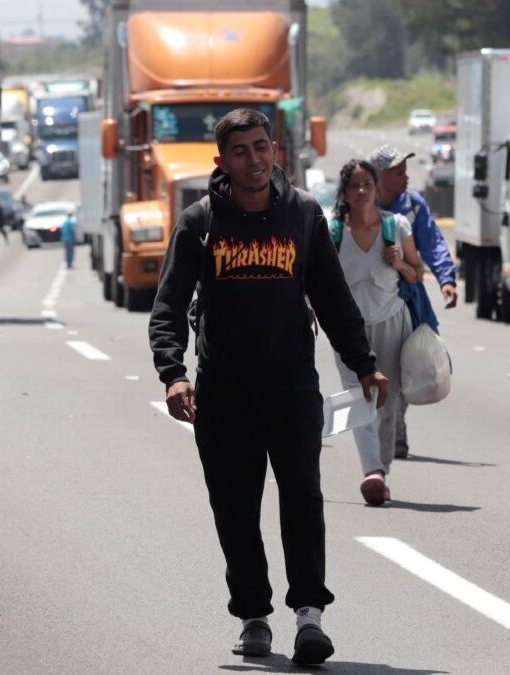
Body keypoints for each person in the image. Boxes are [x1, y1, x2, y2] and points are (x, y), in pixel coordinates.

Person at [148, 108, 389, 667]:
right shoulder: (200, 222)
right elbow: (167, 306)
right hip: (224, 393)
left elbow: (332, 297)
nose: (254, 160)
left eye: (261, 147)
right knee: (235, 508)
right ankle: (253, 615)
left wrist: (364, 362)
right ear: (222, 161)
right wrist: (174, 373)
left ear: (275, 150)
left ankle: (309, 616)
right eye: (240, 151)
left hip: (291, 388)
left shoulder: (302, 214)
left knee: (303, 499)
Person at [330, 159, 424, 506]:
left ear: (376, 188)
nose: (361, 191)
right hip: (347, 331)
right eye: (354, 185)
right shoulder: (333, 232)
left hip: (391, 324)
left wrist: (399, 262)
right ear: (345, 191)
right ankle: (372, 472)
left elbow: (417, 274)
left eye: (367, 184)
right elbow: (316, 280)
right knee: (358, 398)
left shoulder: (396, 226)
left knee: (388, 399)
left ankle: (380, 470)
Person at [370, 144, 458, 459]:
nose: (406, 179)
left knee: (404, 362)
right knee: (374, 368)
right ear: (379, 177)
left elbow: (434, 244)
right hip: (368, 302)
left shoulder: (414, 206)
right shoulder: (358, 205)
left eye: (406, 172)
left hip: (408, 300)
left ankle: (395, 429)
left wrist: (447, 280)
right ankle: (379, 429)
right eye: (398, 173)